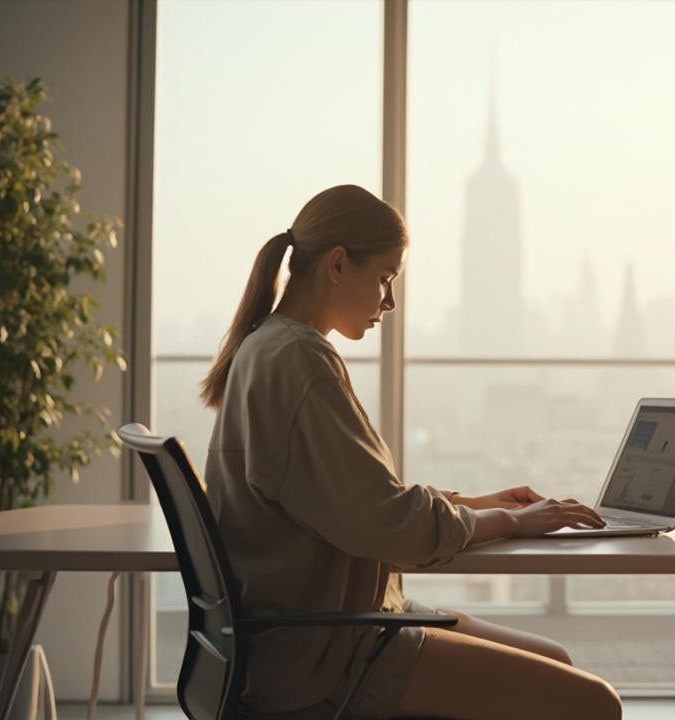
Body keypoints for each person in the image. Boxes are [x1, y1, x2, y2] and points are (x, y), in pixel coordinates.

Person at [200, 185, 622, 720]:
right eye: (384, 278)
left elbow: (357, 500)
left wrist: (477, 503)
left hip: (323, 629)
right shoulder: (300, 361)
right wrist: (509, 523)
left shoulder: (269, 346)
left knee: (556, 661)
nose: (390, 302)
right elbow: (392, 529)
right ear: (337, 265)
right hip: (329, 652)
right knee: (592, 704)